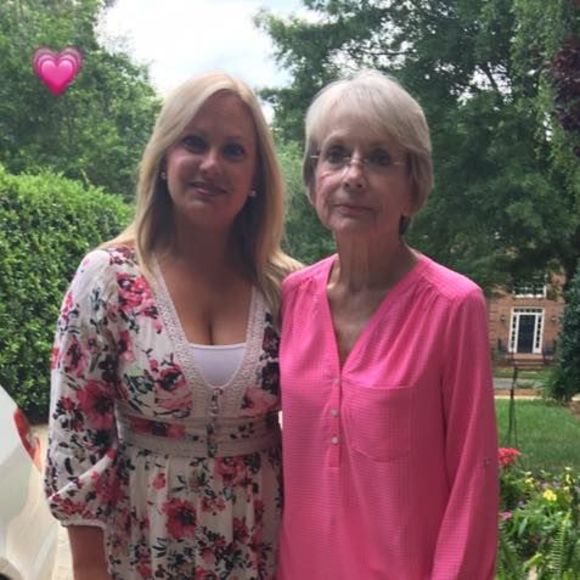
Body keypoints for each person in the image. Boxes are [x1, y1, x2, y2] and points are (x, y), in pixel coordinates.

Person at [45, 71, 299, 580]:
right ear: (164, 158)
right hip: (146, 545)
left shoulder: (286, 288)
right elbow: (75, 441)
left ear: (256, 176)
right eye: (194, 142)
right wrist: (89, 569)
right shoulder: (109, 278)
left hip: (263, 546)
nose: (211, 164)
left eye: (234, 150)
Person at [277, 70, 498, 579]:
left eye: (379, 158)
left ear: (413, 188)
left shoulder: (453, 306)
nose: (353, 175)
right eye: (336, 155)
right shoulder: (292, 297)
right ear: (313, 179)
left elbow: (474, 480)